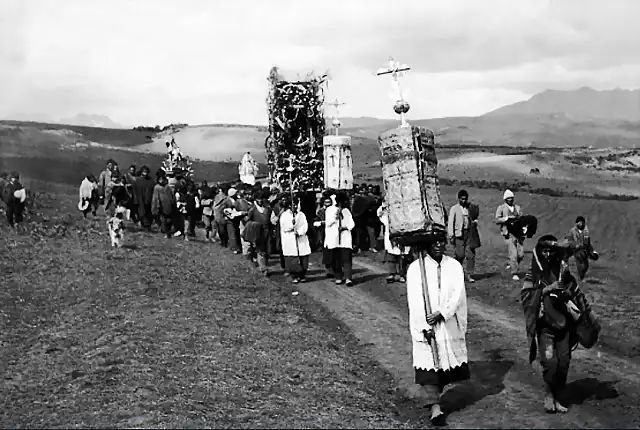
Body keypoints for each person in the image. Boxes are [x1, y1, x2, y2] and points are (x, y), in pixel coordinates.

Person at [406, 226, 470, 426]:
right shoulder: (416, 269)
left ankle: (436, 399)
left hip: (449, 323)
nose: (438, 245)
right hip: (427, 326)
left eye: (441, 242)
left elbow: (458, 293)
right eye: (434, 242)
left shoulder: (454, 266)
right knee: (429, 366)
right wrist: (424, 326)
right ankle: (435, 407)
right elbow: (414, 302)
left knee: (444, 364)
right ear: (426, 245)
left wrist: (443, 312)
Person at [521, 235, 577, 413]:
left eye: (550, 251)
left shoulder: (562, 270)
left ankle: (558, 396)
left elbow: (572, 288)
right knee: (550, 363)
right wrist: (547, 289)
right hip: (545, 326)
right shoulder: (533, 272)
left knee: (564, 363)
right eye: (544, 250)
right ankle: (549, 394)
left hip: (563, 325)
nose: (547, 254)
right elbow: (526, 295)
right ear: (539, 251)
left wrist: (566, 293)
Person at [448, 190, 481, 283]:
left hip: (469, 234)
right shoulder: (454, 209)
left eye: (465, 199)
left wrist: (474, 222)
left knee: (470, 255)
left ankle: (469, 275)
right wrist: (451, 235)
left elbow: (475, 216)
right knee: (460, 254)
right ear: (458, 199)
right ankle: (457, 272)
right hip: (458, 234)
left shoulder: (470, 208)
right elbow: (451, 222)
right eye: (462, 199)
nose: (464, 201)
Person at [325, 191, 356, 286]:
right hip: (334, 239)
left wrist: (344, 227)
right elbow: (328, 223)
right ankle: (338, 276)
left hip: (345, 238)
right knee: (336, 260)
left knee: (346, 259)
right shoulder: (329, 210)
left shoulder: (346, 211)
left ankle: (348, 278)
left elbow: (352, 224)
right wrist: (335, 216)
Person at [279, 195, 311, 283]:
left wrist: (299, 232)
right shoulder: (284, 215)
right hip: (290, 239)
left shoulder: (301, 215)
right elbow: (284, 227)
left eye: (297, 205)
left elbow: (305, 225)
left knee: (303, 258)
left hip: (300, 238)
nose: (295, 207)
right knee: (292, 259)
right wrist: (292, 224)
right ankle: (295, 276)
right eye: (293, 205)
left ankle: (302, 275)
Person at [378, 200, 410, 283]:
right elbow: (380, 214)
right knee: (391, 257)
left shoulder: (405, 214)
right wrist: (384, 206)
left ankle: (402, 274)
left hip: (403, 236)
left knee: (403, 258)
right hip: (391, 238)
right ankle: (392, 273)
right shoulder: (388, 215)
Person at [495, 189, 524, 280]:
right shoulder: (501, 208)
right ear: (505, 199)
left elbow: (522, 219)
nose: (511, 200)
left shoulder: (517, 208)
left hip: (518, 233)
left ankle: (511, 264)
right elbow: (497, 220)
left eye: (512, 198)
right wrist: (506, 218)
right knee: (513, 254)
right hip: (508, 233)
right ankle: (514, 273)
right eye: (509, 198)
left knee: (521, 254)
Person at [243, 190, 273, 276]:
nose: (260, 201)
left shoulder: (267, 209)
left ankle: (264, 265)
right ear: (255, 200)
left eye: (261, 199)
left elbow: (270, 220)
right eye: (258, 199)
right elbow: (247, 221)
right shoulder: (252, 210)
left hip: (267, 232)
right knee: (260, 250)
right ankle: (263, 268)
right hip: (258, 232)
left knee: (268, 250)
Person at [565, 216, 597, 280]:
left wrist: (592, 251)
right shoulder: (572, 231)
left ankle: (581, 277)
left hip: (584, 249)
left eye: (582, 223)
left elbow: (587, 242)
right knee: (579, 264)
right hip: (576, 250)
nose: (581, 224)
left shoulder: (586, 230)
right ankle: (580, 278)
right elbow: (569, 240)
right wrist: (575, 245)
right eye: (580, 223)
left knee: (586, 265)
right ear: (576, 223)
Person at [314, 194, 334, 276]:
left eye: (329, 202)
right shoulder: (321, 211)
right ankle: (329, 269)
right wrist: (321, 223)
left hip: (333, 233)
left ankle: (334, 269)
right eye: (326, 202)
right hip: (324, 233)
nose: (327, 203)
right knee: (326, 252)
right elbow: (315, 222)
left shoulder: (334, 210)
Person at [151, 174, 176, 238]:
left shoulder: (168, 187)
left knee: (169, 220)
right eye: (160, 179)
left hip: (168, 205)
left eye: (162, 179)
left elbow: (171, 196)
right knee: (163, 219)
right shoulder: (157, 187)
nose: (161, 181)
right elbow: (155, 197)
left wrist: (173, 203)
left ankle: (168, 232)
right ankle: (165, 231)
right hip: (160, 206)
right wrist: (157, 205)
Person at [132, 166, 155, 231]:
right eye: (144, 172)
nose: (145, 173)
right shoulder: (137, 180)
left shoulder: (151, 181)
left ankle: (148, 226)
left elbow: (153, 190)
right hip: (140, 199)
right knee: (142, 213)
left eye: (146, 172)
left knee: (148, 213)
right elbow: (134, 191)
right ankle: (144, 226)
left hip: (149, 199)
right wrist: (135, 200)